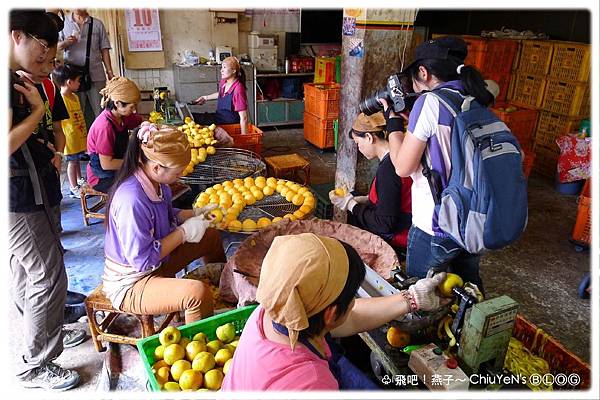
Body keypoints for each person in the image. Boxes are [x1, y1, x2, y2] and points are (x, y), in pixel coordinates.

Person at [222, 233, 447, 390]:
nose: (352, 304)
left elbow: (349, 317)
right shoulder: (312, 383)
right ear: (330, 314)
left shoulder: (273, 311)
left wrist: (410, 299)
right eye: (351, 299)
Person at [9, 10, 84, 391]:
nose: (45, 67)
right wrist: (37, 110)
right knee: (47, 273)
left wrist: (52, 149)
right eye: (41, 57)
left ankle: (44, 332)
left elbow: (50, 130)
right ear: (15, 36)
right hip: (17, 197)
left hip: (39, 187)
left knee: (28, 271)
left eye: (50, 60)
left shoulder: (26, 80)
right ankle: (35, 363)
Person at [384, 36, 495, 291]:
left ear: (423, 72)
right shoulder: (475, 97)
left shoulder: (430, 102)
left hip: (435, 224)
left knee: (421, 295)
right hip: (473, 220)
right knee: (467, 291)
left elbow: (402, 167)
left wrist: (393, 122)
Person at [101, 122, 227, 324]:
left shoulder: (159, 185)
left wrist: (196, 213)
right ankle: (199, 345)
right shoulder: (131, 201)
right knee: (196, 293)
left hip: (159, 262)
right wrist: (183, 233)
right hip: (133, 282)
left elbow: (168, 216)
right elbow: (143, 260)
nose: (181, 177)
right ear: (157, 167)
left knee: (210, 235)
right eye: (177, 173)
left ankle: (225, 292)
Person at [329, 112, 412, 258]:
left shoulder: (389, 169)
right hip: (400, 216)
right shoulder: (398, 155)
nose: (359, 148)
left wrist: (351, 205)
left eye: (358, 143)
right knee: (355, 197)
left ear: (369, 137)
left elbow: (384, 224)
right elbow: (390, 196)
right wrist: (364, 199)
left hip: (400, 234)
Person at [86, 77, 143, 193]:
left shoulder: (122, 116)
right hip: (103, 177)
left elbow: (141, 121)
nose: (134, 111)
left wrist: (155, 127)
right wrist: (137, 162)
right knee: (139, 188)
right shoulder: (104, 127)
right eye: (131, 107)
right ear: (117, 103)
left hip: (118, 169)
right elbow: (107, 164)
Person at [58, 9, 114, 122]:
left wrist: (109, 72)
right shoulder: (63, 23)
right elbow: (56, 46)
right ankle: (81, 138)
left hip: (96, 73)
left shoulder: (97, 24)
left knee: (101, 111)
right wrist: (66, 43)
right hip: (73, 77)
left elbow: (104, 49)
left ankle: (100, 138)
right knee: (76, 113)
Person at [52, 64, 89, 198]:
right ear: (69, 82)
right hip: (70, 139)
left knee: (77, 160)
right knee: (72, 162)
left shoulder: (75, 96)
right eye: (78, 80)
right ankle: (73, 188)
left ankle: (80, 180)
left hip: (79, 136)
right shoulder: (61, 99)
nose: (79, 84)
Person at [191, 56, 249, 134]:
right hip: (219, 117)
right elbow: (222, 94)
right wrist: (205, 98)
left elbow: (244, 118)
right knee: (192, 117)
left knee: (196, 121)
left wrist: (244, 139)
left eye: (224, 67)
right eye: (221, 67)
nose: (221, 70)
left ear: (233, 71)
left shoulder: (238, 89)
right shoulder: (224, 82)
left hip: (230, 124)